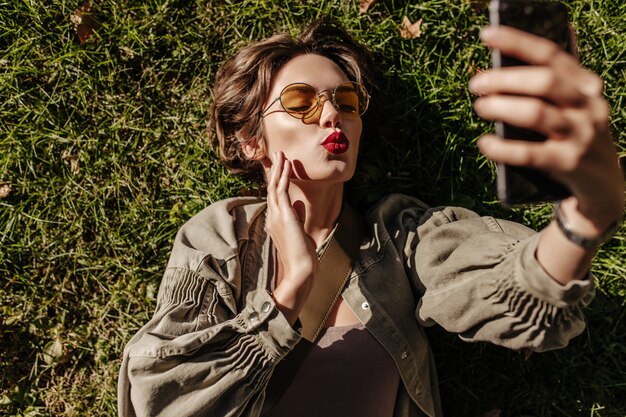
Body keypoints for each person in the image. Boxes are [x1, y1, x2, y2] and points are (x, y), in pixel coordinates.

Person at [117, 18, 624, 417]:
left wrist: (582, 220)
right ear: (253, 142)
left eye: (346, 100)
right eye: (300, 102)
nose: (332, 114)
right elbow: (160, 400)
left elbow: (518, 293)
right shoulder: (220, 238)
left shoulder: (398, 238)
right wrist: (288, 293)